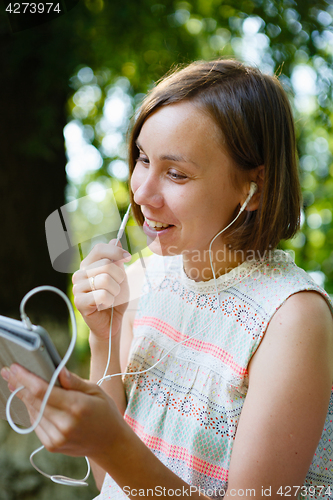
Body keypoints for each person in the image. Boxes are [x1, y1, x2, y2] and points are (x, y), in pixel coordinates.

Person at [2, 59, 333, 500]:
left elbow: (120, 460)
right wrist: (105, 335)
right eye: (142, 159)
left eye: (176, 173)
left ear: (253, 189)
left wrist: (112, 442)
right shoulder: (144, 277)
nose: (140, 193)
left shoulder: (293, 320)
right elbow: (112, 485)